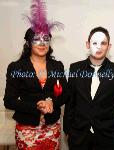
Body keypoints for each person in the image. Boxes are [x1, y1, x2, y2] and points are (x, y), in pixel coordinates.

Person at [3, 0, 67, 149]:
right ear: (28, 43)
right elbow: (9, 101)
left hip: (52, 129)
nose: (42, 43)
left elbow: (65, 94)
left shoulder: (57, 66)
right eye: (36, 39)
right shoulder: (16, 67)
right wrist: (37, 106)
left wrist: (52, 102)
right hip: (27, 130)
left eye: (46, 39)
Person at [63, 26, 114, 150]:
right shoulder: (75, 68)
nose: (99, 47)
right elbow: (70, 102)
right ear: (88, 44)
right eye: (95, 43)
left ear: (109, 46)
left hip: (107, 137)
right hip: (78, 136)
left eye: (103, 43)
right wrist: (68, 130)